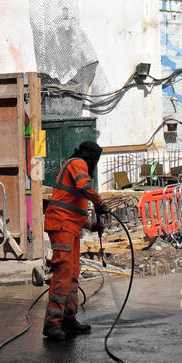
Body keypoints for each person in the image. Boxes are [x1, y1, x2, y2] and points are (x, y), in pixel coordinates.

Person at [42, 140, 108, 342]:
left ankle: (68, 319)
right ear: (91, 157)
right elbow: (84, 186)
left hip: (70, 227)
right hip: (62, 226)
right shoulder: (76, 163)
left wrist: (90, 226)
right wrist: (99, 202)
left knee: (72, 274)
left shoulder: (78, 165)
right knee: (62, 273)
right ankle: (52, 324)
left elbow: (74, 208)